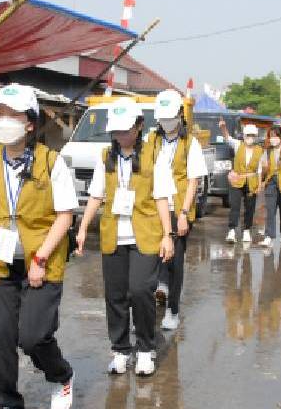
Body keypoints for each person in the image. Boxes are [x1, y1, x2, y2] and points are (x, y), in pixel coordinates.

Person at [0, 84, 77, 409]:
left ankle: (61, 375)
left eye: (12, 115)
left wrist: (41, 257)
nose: (4, 122)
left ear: (30, 124)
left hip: (41, 261)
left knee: (32, 337)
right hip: (2, 262)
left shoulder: (51, 162)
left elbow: (64, 216)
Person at [76, 98, 175, 376]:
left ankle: (145, 348)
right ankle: (120, 349)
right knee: (115, 295)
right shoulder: (106, 156)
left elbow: (161, 197)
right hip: (113, 235)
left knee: (141, 290)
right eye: (116, 132)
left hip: (145, 233)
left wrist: (167, 235)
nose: (120, 137)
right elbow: (96, 194)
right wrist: (83, 228)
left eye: (126, 131)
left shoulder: (155, 157)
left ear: (139, 126)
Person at [148, 89, 207, 331]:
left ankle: (173, 310)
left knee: (176, 261)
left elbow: (193, 180)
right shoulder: (152, 140)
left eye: (169, 117)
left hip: (178, 207)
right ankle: (152, 300)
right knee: (151, 257)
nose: (165, 122)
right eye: (161, 118)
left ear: (180, 115)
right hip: (153, 207)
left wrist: (184, 214)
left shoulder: (190, 143)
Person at [220, 119, 265, 244]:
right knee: (235, 206)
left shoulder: (259, 150)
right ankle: (232, 230)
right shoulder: (238, 144)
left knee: (250, 207)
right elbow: (227, 137)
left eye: (252, 135)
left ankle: (246, 230)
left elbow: (260, 169)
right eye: (248, 135)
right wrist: (223, 127)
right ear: (244, 136)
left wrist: (260, 184)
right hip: (237, 179)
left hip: (252, 181)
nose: (250, 137)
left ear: (255, 137)